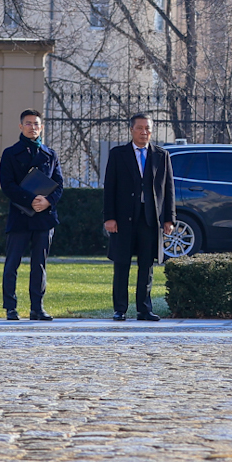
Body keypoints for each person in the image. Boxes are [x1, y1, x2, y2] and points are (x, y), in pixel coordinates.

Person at [102, 113, 172, 322]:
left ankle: (144, 308)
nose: (144, 132)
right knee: (122, 263)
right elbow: (109, 188)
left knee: (146, 265)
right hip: (123, 220)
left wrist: (169, 219)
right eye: (140, 128)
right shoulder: (118, 154)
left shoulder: (161, 155)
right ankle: (120, 309)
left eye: (148, 129)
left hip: (149, 219)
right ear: (131, 130)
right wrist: (109, 217)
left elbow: (168, 190)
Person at [0, 108, 61, 321]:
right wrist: (30, 200)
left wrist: (47, 201)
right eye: (28, 123)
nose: (32, 127)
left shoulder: (50, 154)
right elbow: (7, 185)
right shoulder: (10, 153)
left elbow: (59, 185)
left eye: (36, 124)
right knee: (12, 263)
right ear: (20, 126)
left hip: (44, 217)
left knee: (39, 264)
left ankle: (37, 307)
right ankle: (10, 307)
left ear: (41, 127)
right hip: (20, 214)